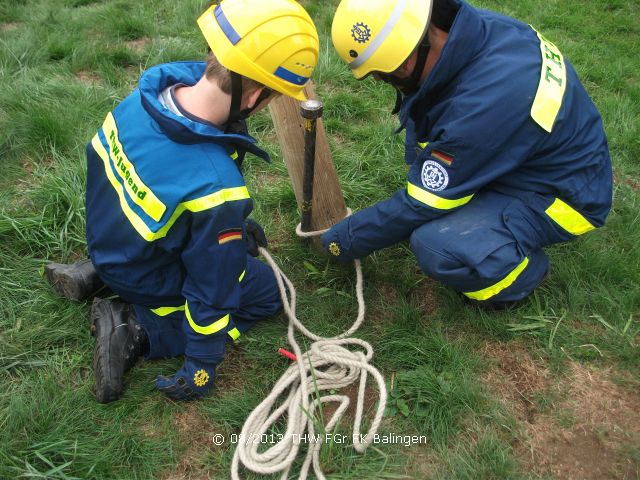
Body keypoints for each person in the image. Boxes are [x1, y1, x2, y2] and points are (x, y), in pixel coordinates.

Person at [45, 0, 319, 402]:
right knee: (265, 290)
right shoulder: (214, 184)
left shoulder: (147, 96)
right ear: (254, 95)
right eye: (272, 98)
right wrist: (203, 361)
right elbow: (213, 285)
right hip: (141, 269)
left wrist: (231, 231)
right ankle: (133, 322)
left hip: (110, 237)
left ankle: (95, 272)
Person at [322, 0, 612, 308]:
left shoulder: (484, 106)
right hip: (541, 156)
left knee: (436, 245)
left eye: (383, 75)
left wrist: (341, 241)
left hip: (564, 195)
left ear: (406, 63)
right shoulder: (474, 32)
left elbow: (422, 203)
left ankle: (520, 276)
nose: (381, 82)